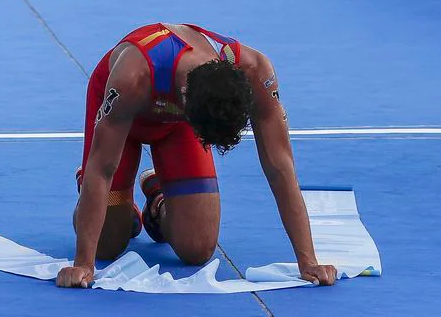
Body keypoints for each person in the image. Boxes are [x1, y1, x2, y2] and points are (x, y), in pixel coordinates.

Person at [58, 21, 336, 289]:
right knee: (108, 244)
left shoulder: (256, 70)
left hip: (179, 122)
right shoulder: (132, 76)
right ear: (185, 97)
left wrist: (308, 261)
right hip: (123, 115)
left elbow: (280, 167)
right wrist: (83, 264)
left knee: (198, 248)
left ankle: (158, 202)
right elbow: (102, 168)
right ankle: (110, 203)